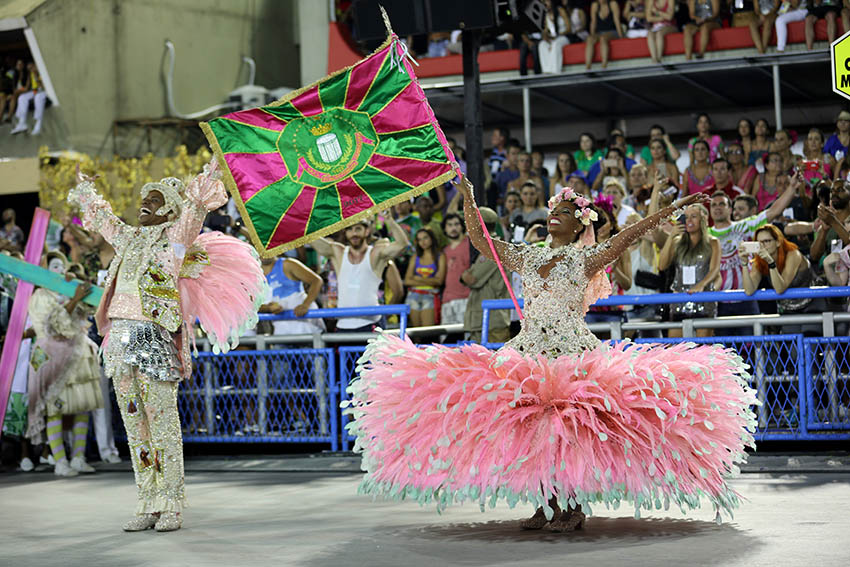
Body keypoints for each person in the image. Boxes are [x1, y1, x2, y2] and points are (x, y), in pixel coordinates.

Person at [346, 179, 756, 532]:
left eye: (564, 211)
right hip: (528, 352)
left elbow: (630, 235)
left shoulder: (585, 256)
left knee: (568, 430)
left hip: (570, 354)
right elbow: (479, 240)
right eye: (553, 209)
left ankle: (573, 507)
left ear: (580, 223)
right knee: (534, 432)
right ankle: (546, 503)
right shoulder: (528, 254)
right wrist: (469, 199)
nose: (554, 214)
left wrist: (674, 207)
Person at [67, 159, 265, 532]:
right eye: (144, 200)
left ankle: (172, 503)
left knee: (163, 426)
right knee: (134, 426)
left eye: (154, 201)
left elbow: (195, 207)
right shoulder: (127, 238)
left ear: (169, 211)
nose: (145, 205)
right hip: (119, 344)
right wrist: (85, 190)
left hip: (154, 340)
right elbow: (103, 217)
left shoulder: (175, 239)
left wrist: (212, 171)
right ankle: (148, 501)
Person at [25, 252, 103, 477]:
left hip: (77, 353)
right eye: (54, 265)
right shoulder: (40, 295)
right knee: (55, 409)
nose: (59, 269)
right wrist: (74, 298)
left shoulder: (67, 289)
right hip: (52, 357)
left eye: (62, 264)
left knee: (81, 407)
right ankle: (60, 461)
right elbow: (51, 325)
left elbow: (87, 313)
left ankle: (78, 457)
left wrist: (81, 290)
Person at [312, 217, 409, 333]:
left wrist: (389, 220)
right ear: (345, 233)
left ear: (366, 231)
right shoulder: (339, 252)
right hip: (343, 324)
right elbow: (311, 239)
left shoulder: (375, 253)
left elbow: (402, 244)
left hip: (371, 323)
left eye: (358, 229)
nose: (354, 233)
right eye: (350, 229)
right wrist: (303, 218)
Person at [658, 204, 720, 336]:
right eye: (686, 217)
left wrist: (701, 285)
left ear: (703, 220)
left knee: (702, 348)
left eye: (693, 217)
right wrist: (671, 237)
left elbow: (715, 269)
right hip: (679, 301)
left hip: (703, 301)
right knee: (676, 349)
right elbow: (662, 266)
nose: (689, 221)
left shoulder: (713, 242)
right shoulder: (677, 242)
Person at [404, 228, 446, 328]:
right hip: (413, 295)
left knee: (427, 333)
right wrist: (431, 281)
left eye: (425, 238)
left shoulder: (440, 256)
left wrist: (417, 279)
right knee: (416, 333)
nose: (422, 242)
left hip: (431, 295)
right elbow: (407, 281)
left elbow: (439, 281)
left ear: (432, 238)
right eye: (419, 239)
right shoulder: (415, 257)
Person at [440, 213, 471, 327]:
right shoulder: (444, 250)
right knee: (447, 339)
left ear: (462, 226)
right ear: (445, 229)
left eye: (456, 224)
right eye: (450, 225)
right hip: (447, 299)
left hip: (466, 297)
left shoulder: (470, 245)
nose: (453, 228)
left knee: (466, 336)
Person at [10, 62, 47, 136]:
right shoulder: (30, 74)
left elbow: (43, 86)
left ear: (35, 66)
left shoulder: (41, 72)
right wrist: (17, 92)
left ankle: (38, 124)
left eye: (32, 68)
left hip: (43, 91)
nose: (31, 70)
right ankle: (22, 123)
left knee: (38, 98)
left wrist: (36, 76)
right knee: (22, 98)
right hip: (34, 91)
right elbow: (27, 87)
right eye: (29, 69)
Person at [585, 0, 624, 69]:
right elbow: (593, 22)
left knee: (603, 38)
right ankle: (588, 67)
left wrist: (621, 37)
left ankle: (604, 65)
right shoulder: (595, 5)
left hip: (613, 31)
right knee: (589, 39)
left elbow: (617, 21)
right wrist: (592, 36)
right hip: (599, 32)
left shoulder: (612, 4)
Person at [538, 0, 571, 73]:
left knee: (555, 44)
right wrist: (546, 37)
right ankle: (546, 71)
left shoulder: (560, 10)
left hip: (564, 36)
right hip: (553, 38)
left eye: (547, 1)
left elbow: (569, 28)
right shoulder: (545, 15)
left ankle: (556, 71)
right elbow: (545, 31)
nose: (545, 4)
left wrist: (558, 36)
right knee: (542, 45)